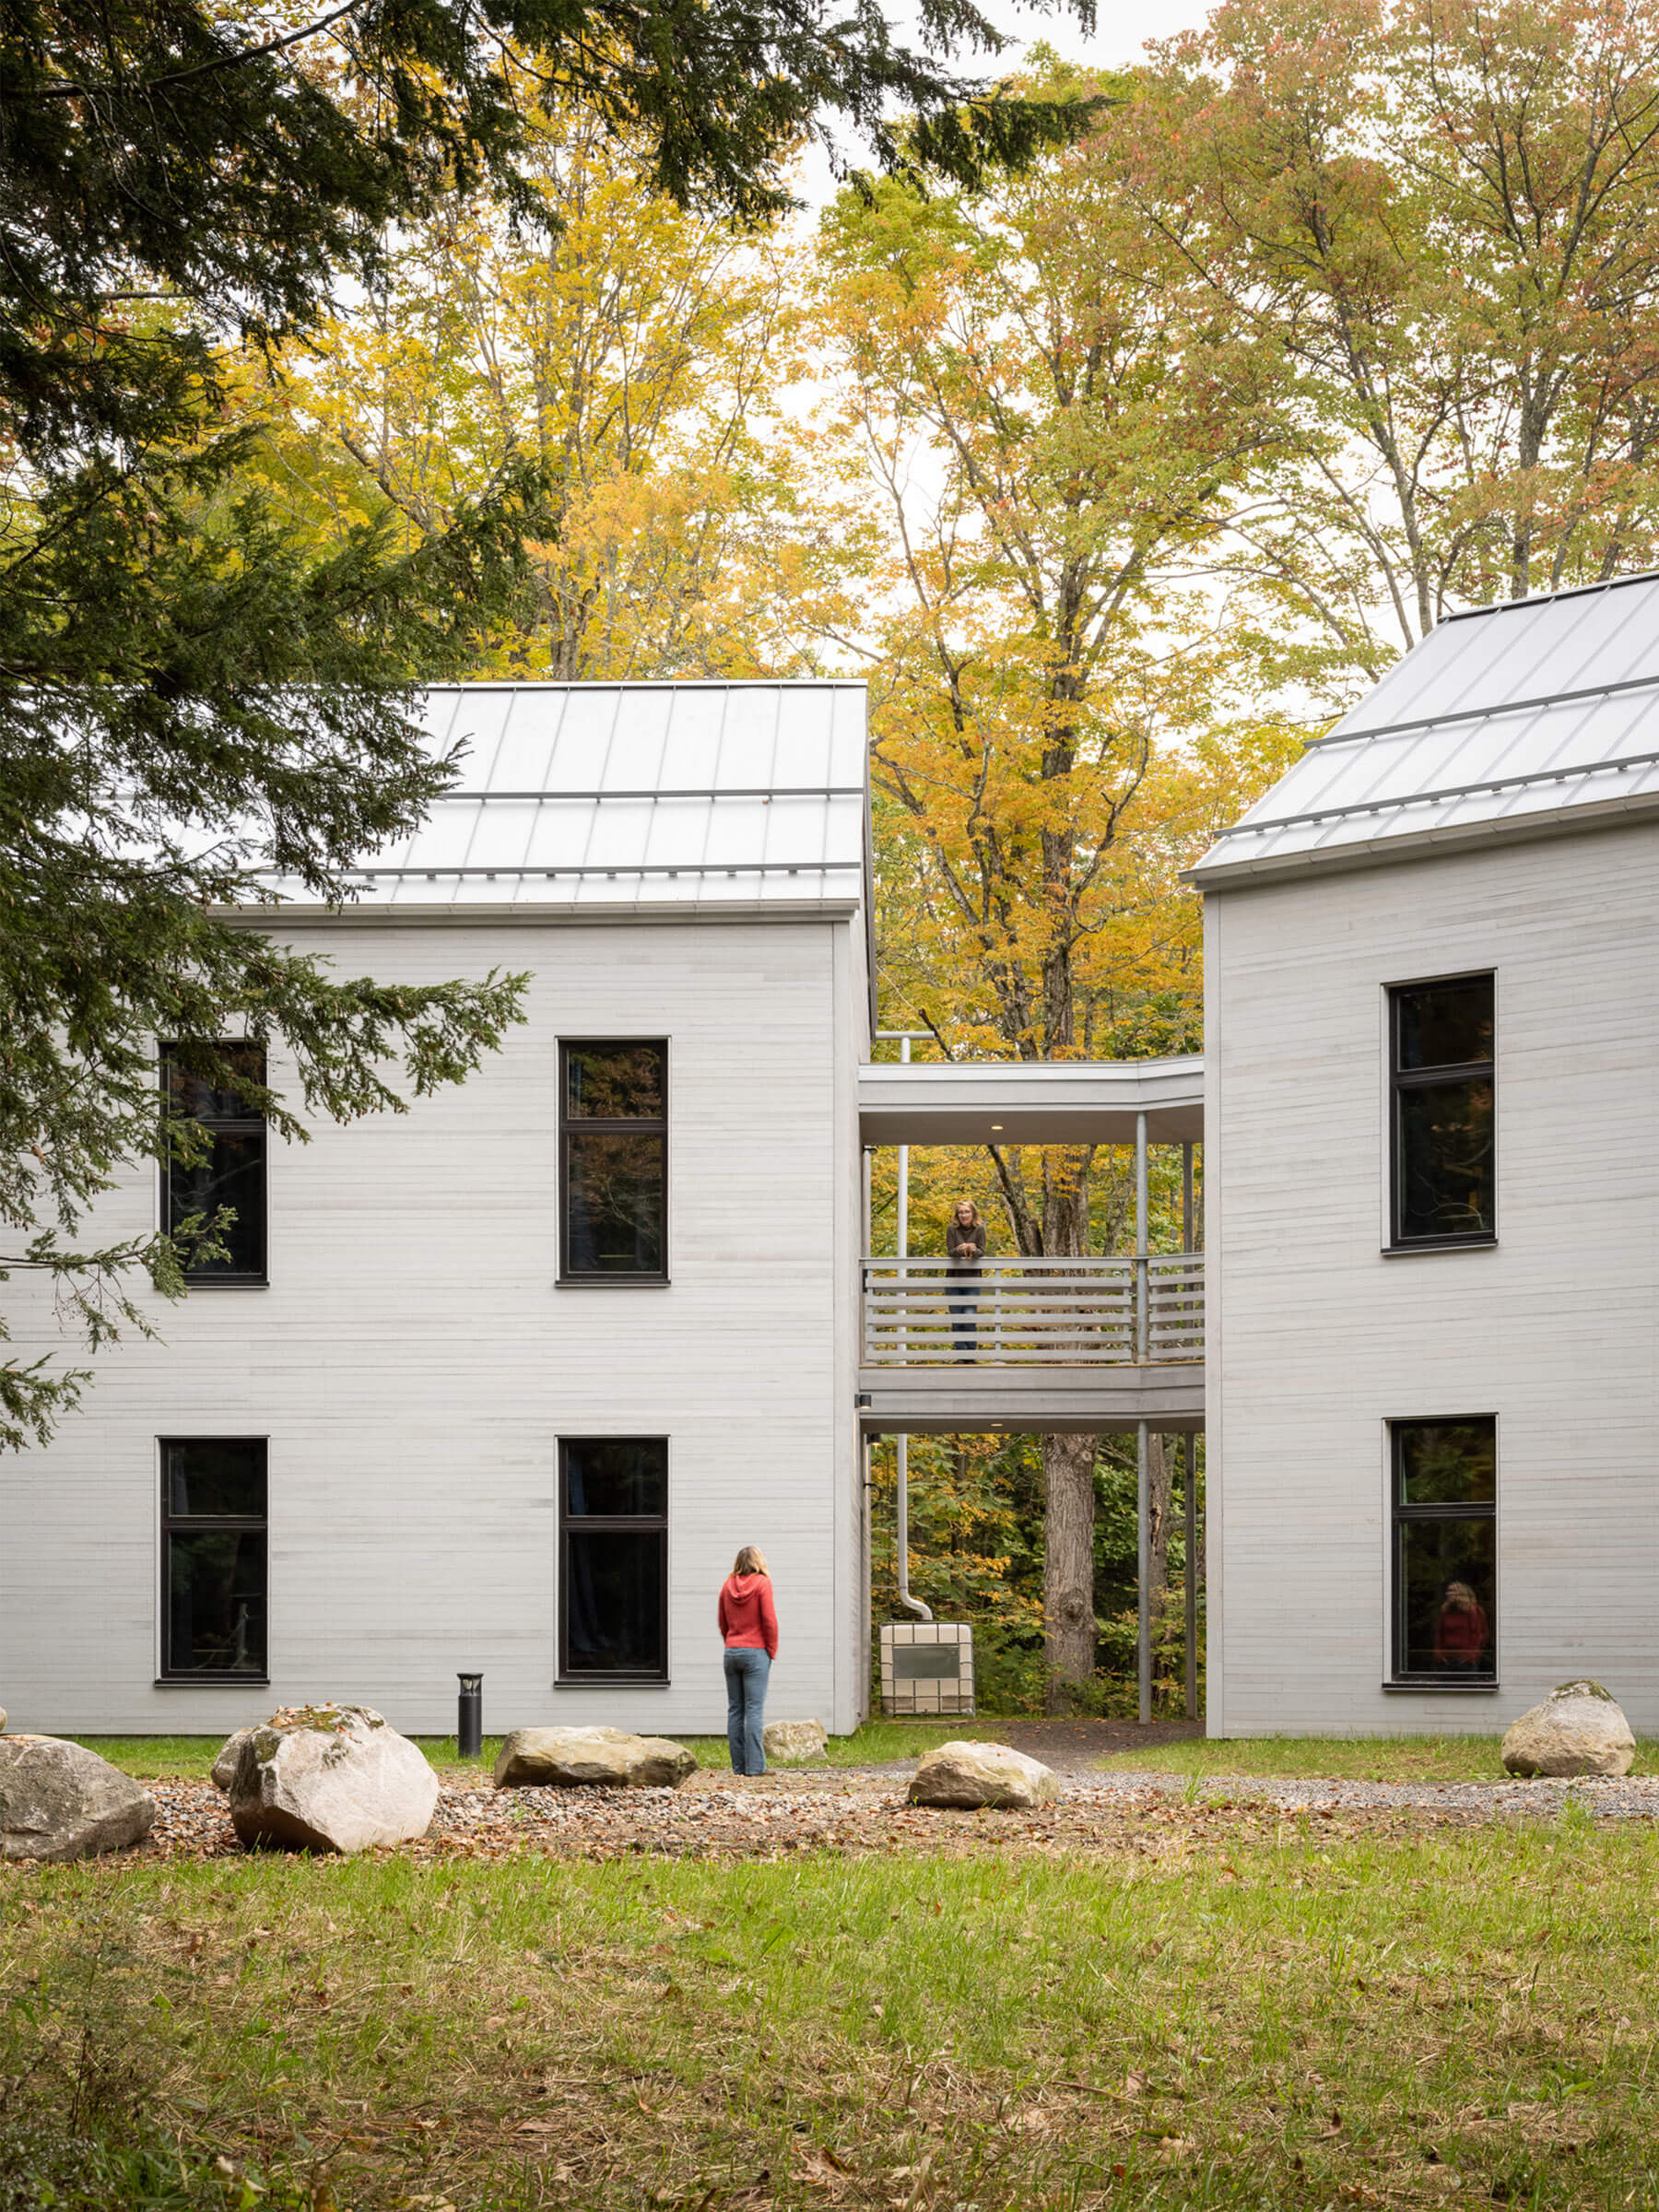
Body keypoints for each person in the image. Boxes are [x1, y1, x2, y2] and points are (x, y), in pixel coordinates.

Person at [719, 1545, 778, 1774]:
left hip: (731, 1651)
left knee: (735, 1709)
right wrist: (771, 1649)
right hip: (756, 1652)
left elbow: (722, 1621)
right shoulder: (762, 1584)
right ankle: (755, 1767)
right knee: (754, 1709)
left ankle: (739, 1767)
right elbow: (769, 1620)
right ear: (758, 1562)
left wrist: (731, 1641)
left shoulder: (727, 1585)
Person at [945, 1198, 986, 1361]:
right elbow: (950, 1252)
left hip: (972, 1279)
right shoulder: (952, 1229)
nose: (963, 1215)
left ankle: (971, 1355)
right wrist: (959, 1250)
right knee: (956, 1318)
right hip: (953, 1279)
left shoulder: (979, 1229)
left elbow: (982, 1252)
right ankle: (960, 1355)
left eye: (967, 1212)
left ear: (973, 1213)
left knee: (969, 1317)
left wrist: (973, 1250)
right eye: (961, 1212)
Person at [1433, 1580, 1489, 1675]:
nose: (1448, 1593)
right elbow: (1440, 1634)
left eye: (1452, 1591)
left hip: (1466, 1661)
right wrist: (1439, 1654)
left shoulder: (1474, 1611)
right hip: (1447, 1659)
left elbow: (1479, 1635)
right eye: (1448, 1591)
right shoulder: (1445, 1611)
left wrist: (1471, 1656)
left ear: (1461, 1594)